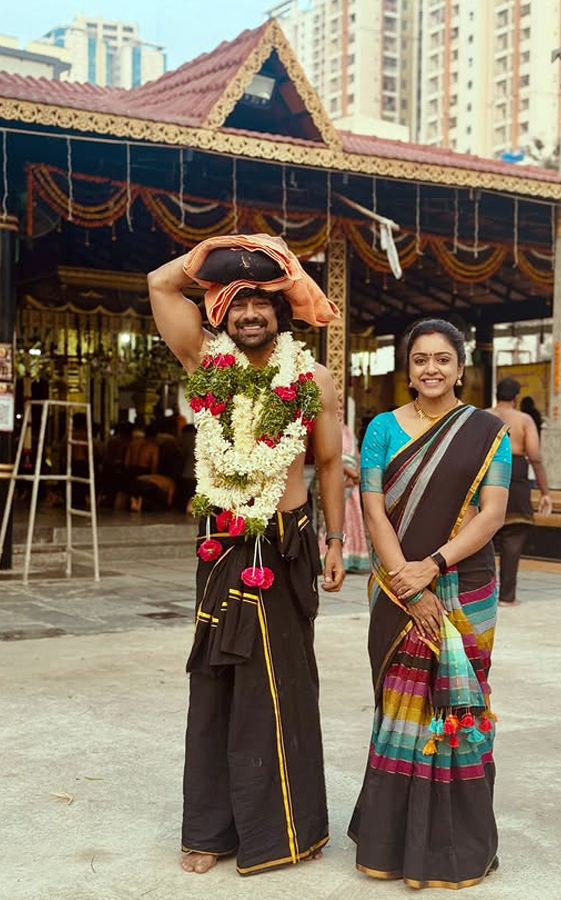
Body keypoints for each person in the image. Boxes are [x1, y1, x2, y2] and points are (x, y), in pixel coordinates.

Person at [147, 236, 345, 878]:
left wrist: (336, 541)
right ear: (221, 313)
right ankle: (207, 830)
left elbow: (326, 464)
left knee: (281, 684)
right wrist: (223, 252)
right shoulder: (205, 360)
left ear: (281, 312)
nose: (251, 313)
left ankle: (286, 831)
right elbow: (159, 284)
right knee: (215, 683)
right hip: (223, 542)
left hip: (285, 543)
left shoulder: (312, 378)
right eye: (239, 302)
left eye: (264, 300)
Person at [349, 318, 511, 889]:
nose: (432, 369)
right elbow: (374, 510)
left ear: (461, 367)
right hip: (397, 586)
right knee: (401, 708)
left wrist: (435, 566)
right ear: (408, 368)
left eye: (443, 359)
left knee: (460, 711)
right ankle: (392, 845)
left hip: (465, 584)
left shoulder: (489, 431)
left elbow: (492, 513)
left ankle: (456, 848)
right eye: (420, 359)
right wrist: (406, 581)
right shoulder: (380, 430)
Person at [487, 378, 552, 607]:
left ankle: (477, 594)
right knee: (513, 539)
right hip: (515, 480)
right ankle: (506, 597)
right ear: (515, 398)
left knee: (479, 536)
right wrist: (545, 491)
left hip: (486, 478)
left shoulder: (482, 416)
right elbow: (535, 456)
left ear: (496, 395)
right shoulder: (524, 420)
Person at [318, 418, 370, 573]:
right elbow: (330, 458)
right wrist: (350, 473)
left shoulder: (347, 430)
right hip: (338, 478)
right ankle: (330, 556)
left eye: (341, 405)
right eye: (337, 405)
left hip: (352, 481)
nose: (339, 409)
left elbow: (357, 454)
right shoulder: (327, 426)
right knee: (337, 517)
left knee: (353, 517)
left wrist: (359, 473)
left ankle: (352, 558)